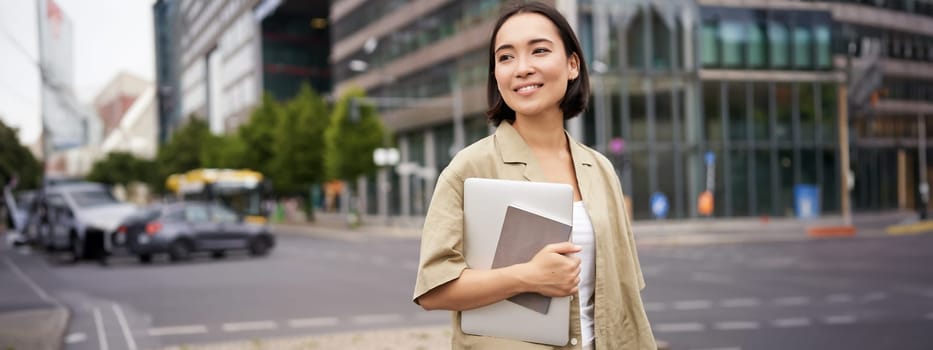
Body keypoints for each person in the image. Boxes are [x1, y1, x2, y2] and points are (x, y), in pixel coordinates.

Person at [412, 2, 656, 349]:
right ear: (496, 74)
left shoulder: (599, 169)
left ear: (573, 64)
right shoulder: (469, 169)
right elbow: (433, 290)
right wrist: (526, 276)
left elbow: (626, 294)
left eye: (539, 50)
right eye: (506, 57)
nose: (522, 68)